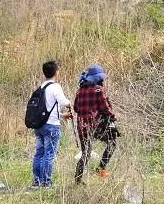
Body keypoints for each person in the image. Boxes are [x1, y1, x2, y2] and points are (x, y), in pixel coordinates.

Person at [73, 64, 117, 184]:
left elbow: (76, 108)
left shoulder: (79, 91)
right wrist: (113, 117)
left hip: (82, 126)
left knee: (86, 153)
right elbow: (106, 109)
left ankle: (78, 179)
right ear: (98, 78)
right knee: (112, 143)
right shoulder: (99, 90)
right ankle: (101, 168)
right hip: (97, 126)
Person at [31, 60, 71, 188]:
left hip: (39, 126)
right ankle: (46, 182)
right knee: (49, 154)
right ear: (56, 72)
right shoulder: (55, 87)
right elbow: (63, 102)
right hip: (52, 126)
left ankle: (36, 181)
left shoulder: (41, 87)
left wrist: (61, 115)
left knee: (39, 153)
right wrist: (70, 104)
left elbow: (46, 110)